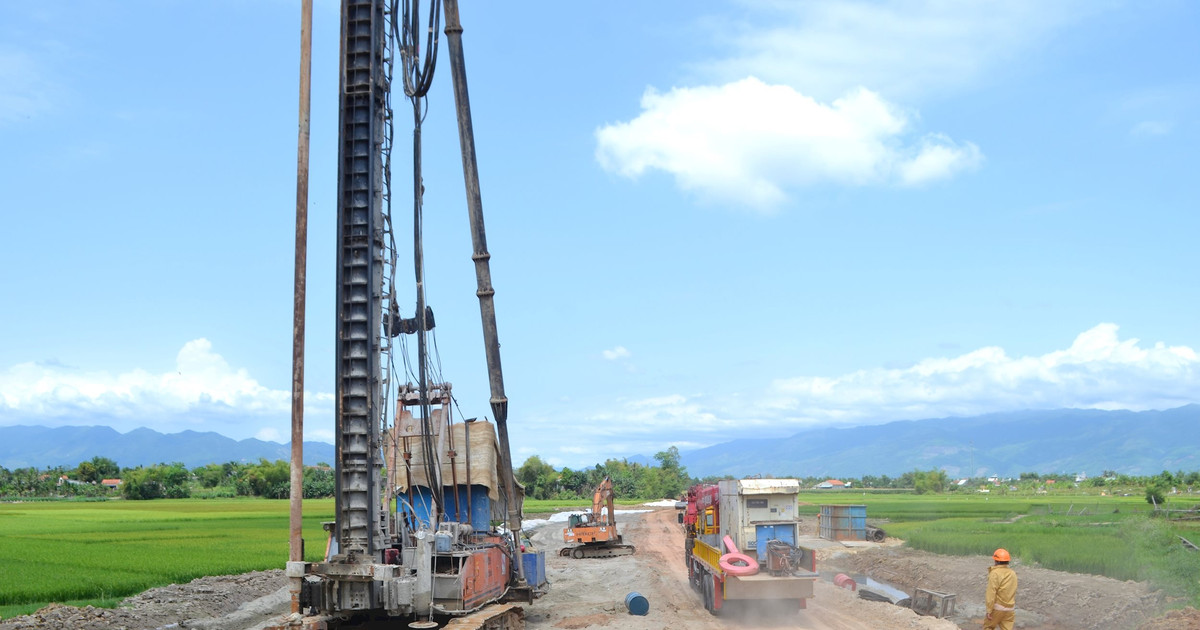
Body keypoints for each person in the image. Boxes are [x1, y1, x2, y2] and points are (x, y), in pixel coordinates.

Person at [983, 548, 1017, 630]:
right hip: (1010, 609)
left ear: (996, 561)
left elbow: (991, 593)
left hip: (997, 608)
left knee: (988, 627)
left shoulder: (995, 573)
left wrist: (989, 610)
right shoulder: (1012, 573)